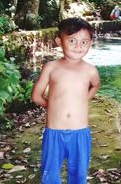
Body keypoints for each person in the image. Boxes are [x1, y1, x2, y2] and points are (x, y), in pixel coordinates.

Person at [31, 17, 101, 184]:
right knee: (50, 174)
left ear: (90, 42)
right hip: (54, 132)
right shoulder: (51, 67)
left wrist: (84, 99)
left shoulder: (90, 70)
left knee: (79, 175)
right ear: (59, 41)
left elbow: (95, 86)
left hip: (80, 133)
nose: (79, 46)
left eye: (84, 42)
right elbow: (36, 96)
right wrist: (54, 106)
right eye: (72, 41)